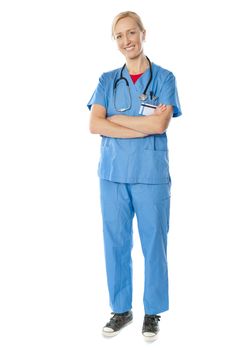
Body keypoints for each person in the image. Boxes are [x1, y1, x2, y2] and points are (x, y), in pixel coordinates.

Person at [87, 11, 182, 341]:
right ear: (115, 42)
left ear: (143, 33)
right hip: (112, 175)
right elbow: (95, 124)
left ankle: (152, 312)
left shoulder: (165, 79)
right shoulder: (106, 80)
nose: (126, 41)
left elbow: (159, 125)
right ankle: (121, 310)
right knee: (115, 243)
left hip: (150, 175)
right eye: (119, 36)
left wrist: (117, 119)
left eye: (131, 33)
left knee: (154, 243)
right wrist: (137, 125)